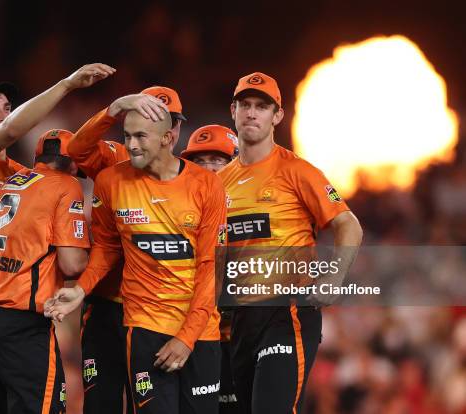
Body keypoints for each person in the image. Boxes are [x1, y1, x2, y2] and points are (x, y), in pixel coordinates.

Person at [0, 63, 115, 413]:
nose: (2, 116)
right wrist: (67, 84)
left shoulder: (20, 177)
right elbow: (15, 129)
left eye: (5, 108)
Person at [49, 102, 227, 414]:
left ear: (167, 138)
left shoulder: (207, 185)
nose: (131, 145)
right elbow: (107, 248)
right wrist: (80, 289)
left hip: (199, 331)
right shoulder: (110, 182)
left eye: (141, 136)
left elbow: (211, 266)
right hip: (143, 327)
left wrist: (186, 338)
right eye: (127, 135)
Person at [217, 72, 363, 413]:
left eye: (262, 107)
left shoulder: (298, 171)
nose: (252, 113)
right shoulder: (217, 183)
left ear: (277, 116)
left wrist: (333, 281)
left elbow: (349, 226)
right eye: (246, 105)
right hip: (238, 318)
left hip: (288, 309)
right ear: (233, 111)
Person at [66, 86, 183, 414]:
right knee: (100, 403)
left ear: (174, 131)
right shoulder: (115, 157)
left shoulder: (186, 178)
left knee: (145, 405)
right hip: (105, 306)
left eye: (170, 122)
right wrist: (113, 108)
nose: (165, 130)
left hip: (153, 311)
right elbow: (77, 148)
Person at [0, 129, 90, 414]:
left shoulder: (13, 181)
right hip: (21, 325)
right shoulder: (66, 184)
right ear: (73, 163)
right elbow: (71, 263)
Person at [180, 125, 239, 414]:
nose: (207, 168)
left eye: (217, 160)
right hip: (194, 333)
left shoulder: (251, 205)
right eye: (199, 161)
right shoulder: (181, 208)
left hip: (244, 335)